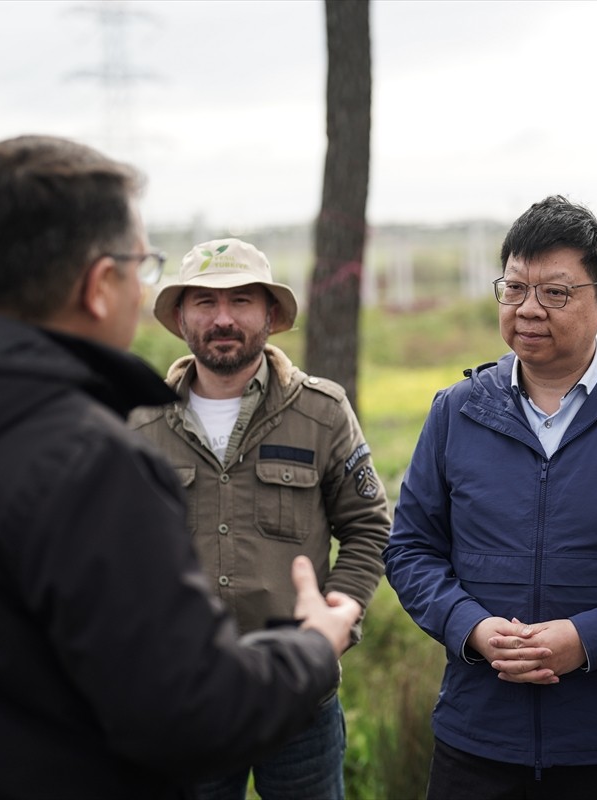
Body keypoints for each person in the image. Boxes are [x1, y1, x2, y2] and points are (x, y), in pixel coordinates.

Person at [0, 135, 360, 799]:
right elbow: (192, 713)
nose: (221, 316)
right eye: (141, 264)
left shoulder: (319, 410)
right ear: (99, 285)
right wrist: (314, 645)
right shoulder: (91, 457)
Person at [382, 195, 597, 800]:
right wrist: (471, 628)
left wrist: (586, 640)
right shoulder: (457, 412)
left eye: (556, 293)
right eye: (514, 289)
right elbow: (411, 551)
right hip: (477, 734)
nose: (528, 310)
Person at [129, 237, 391, 800]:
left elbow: (369, 525)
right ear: (180, 317)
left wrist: (338, 617)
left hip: (300, 699)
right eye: (204, 302)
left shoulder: (321, 412)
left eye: (242, 301)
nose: (223, 319)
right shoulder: (139, 422)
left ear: (270, 314)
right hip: (184, 699)